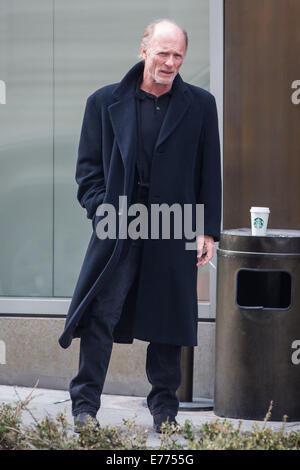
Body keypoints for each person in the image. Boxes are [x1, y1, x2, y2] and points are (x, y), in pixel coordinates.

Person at [58, 19, 222, 434]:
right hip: (120, 225)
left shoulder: (200, 104)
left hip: (174, 226)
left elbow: (209, 173)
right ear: (144, 49)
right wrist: (102, 210)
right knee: (100, 315)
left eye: (178, 55)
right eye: (162, 52)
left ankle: (165, 415)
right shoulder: (103, 102)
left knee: (168, 322)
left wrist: (207, 231)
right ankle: (84, 408)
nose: (170, 62)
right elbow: (88, 172)